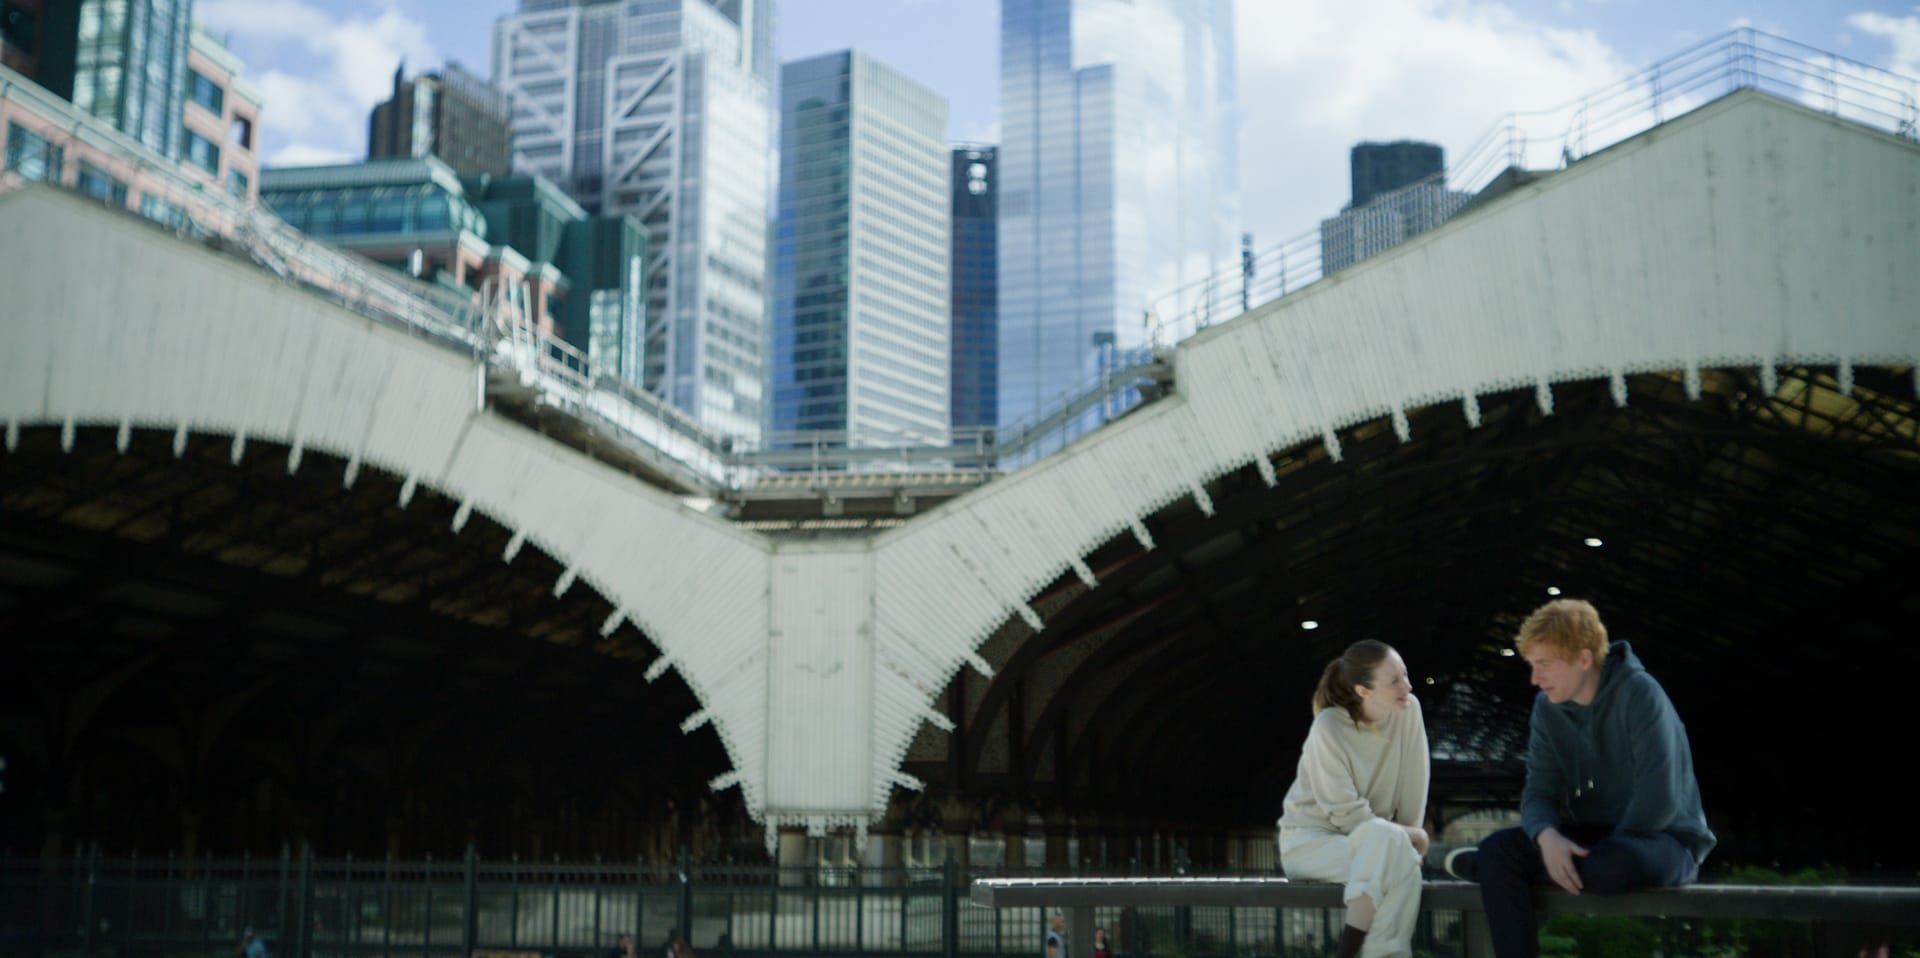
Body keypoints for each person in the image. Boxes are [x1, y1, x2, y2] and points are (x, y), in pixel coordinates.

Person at [1445, 598, 1715, 958]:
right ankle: (1499, 871)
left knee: (1612, 865)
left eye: (1544, 665)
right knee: (1498, 850)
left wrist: (1594, 852)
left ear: (1584, 659)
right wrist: (1548, 837)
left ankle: (1494, 871)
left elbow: (1659, 799)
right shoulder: (1546, 709)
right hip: (1591, 837)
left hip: (1661, 838)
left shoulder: (1640, 693)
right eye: (1531, 665)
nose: (1534, 678)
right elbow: (1538, 791)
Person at [1278, 639, 1430, 958]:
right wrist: (1407, 839)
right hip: (1312, 843)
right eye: (1394, 681)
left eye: (1405, 674)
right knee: (1391, 851)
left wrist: (1406, 840)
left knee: (1396, 855)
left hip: (1378, 843)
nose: (1408, 685)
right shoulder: (1329, 726)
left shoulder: (1409, 711)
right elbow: (1347, 815)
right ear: (1364, 691)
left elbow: (1415, 781)